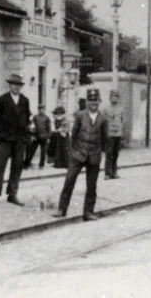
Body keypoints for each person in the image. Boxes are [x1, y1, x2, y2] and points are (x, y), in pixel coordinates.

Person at [52, 88, 108, 221]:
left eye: (95, 100)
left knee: (91, 185)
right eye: (91, 100)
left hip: (94, 155)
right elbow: (74, 134)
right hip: (78, 154)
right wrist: (74, 151)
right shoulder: (80, 116)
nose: (93, 103)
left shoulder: (103, 119)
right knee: (69, 180)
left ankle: (88, 212)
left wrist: (99, 152)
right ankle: (62, 209)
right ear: (87, 101)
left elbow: (105, 139)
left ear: (99, 101)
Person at [0, 73, 32, 206]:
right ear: (9, 85)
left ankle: (12, 194)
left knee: (17, 167)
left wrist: (24, 133)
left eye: (18, 85)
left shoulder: (25, 101)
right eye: (14, 84)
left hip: (19, 140)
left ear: (21, 87)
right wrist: (2, 133)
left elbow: (27, 118)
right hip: (5, 140)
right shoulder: (2, 100)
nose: (16, 87)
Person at [102, 89, 125, 179]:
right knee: (109, 154)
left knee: (115, 154)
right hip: (109, 134)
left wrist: (120, 130)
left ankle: (114, 172)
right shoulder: (106, 109)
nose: (114, 99)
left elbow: (122, 120)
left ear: (118, 99)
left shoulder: (121, 109)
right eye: (112, 97)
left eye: (116, 97)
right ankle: (107, 173)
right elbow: (103, 122)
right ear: (110, 99)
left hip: (118, 134)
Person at [24, 104, 51, 169]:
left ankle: (41, 165)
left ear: (44, 110)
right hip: (36, 137)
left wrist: (48, 137)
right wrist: (33, 135)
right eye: (40, 109)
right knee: (31, 151)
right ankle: (26, 165)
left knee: (43, 152)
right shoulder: (35, 117)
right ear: (38, 110)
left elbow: (49, 128)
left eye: (42, 109)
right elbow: (33, 127)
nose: (41, 110)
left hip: (44, 137)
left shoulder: (47, 118)